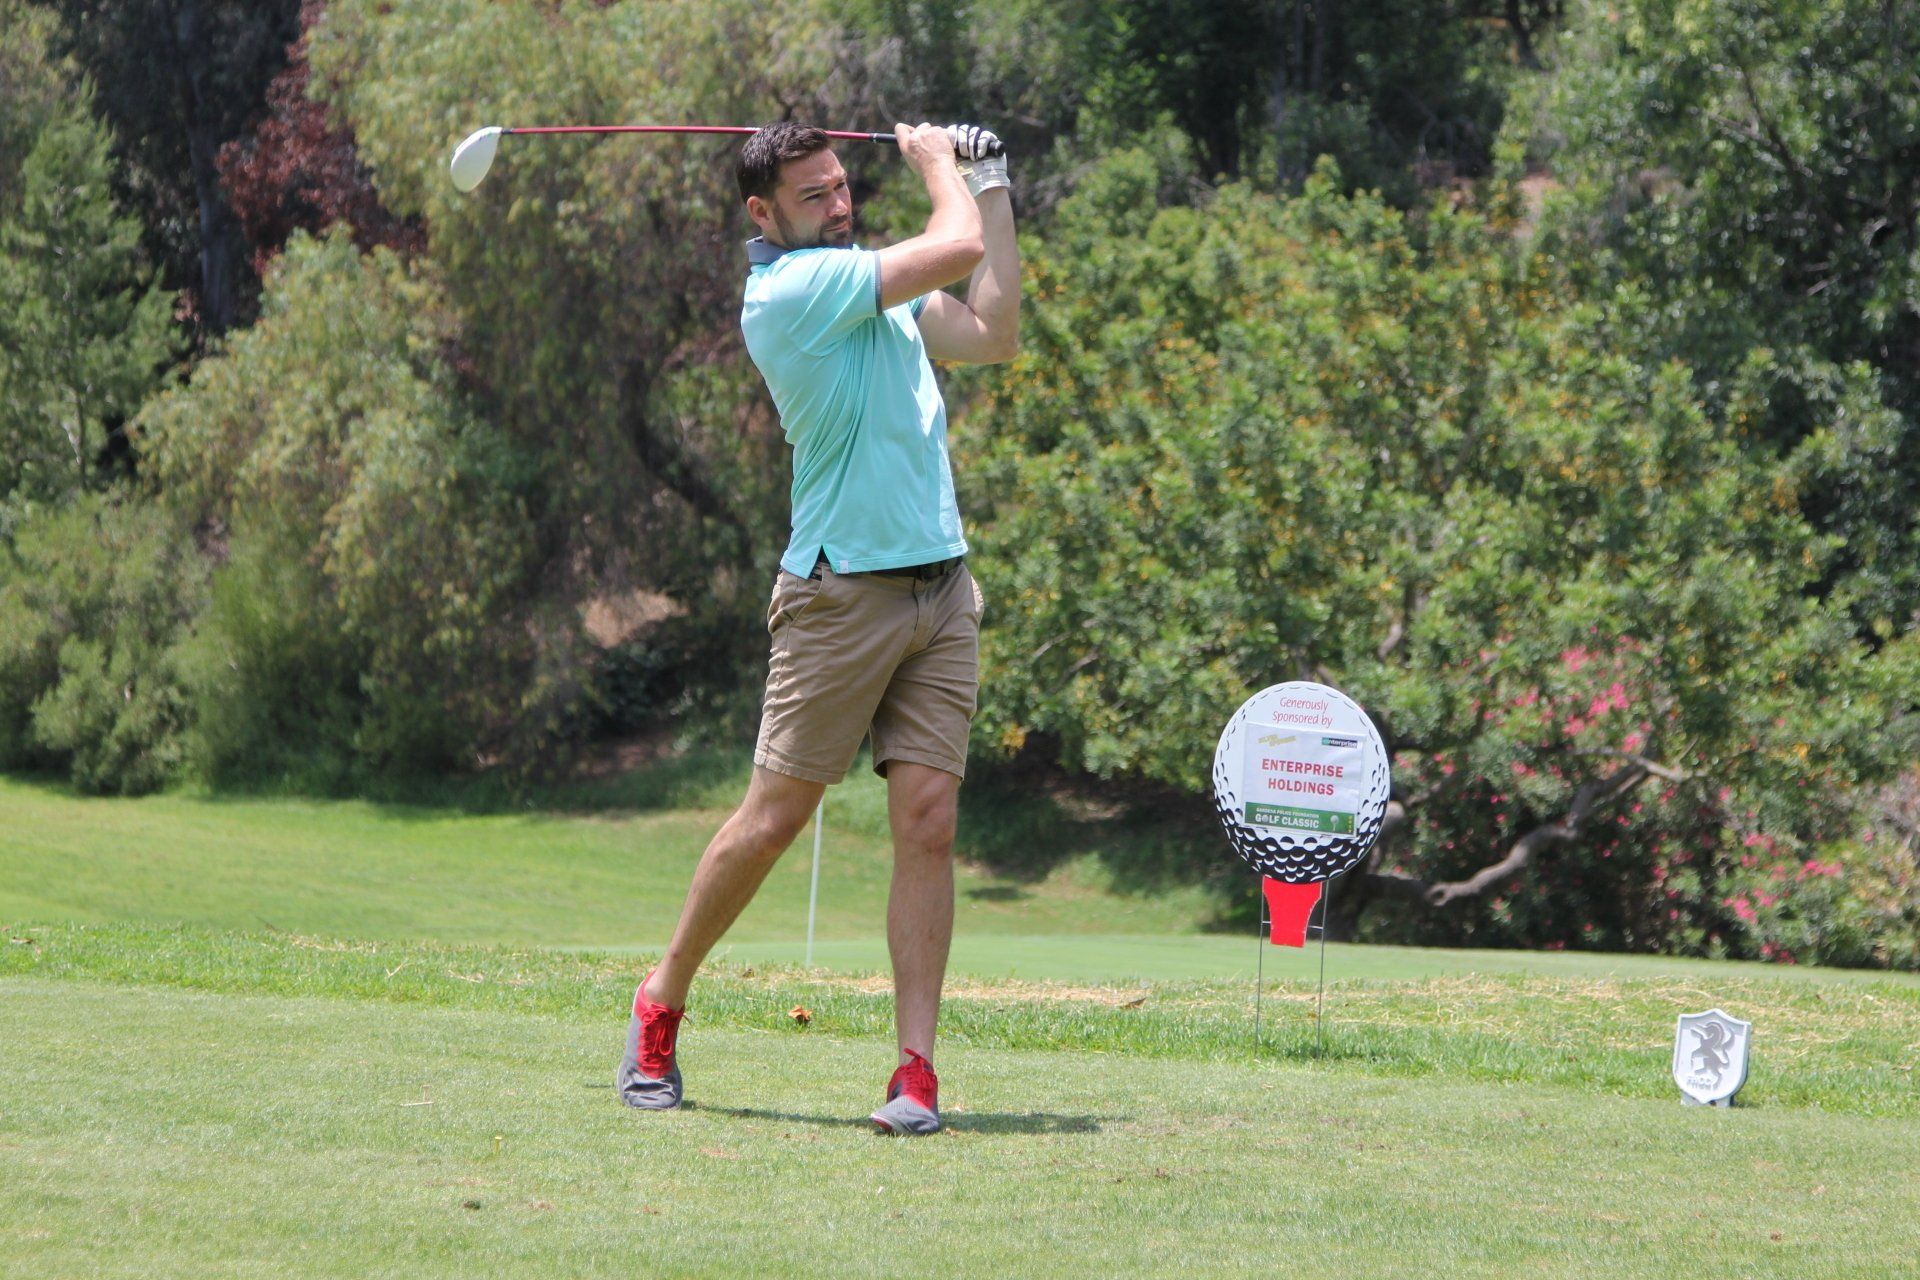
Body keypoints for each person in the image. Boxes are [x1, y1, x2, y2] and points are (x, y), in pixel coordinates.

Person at [619, 119, 1019, 1135]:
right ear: (763, 215)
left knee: (928, 819)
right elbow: (955, 247)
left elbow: (991, 331)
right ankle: (660, 999)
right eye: (815, 196)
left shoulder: (871, 285)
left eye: (843, 187)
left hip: (940, 586)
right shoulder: (792, 294)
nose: (839, 206)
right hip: (841, 596)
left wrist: (995, 181)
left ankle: (916, 1073)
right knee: (773, 817)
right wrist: (940, 169)